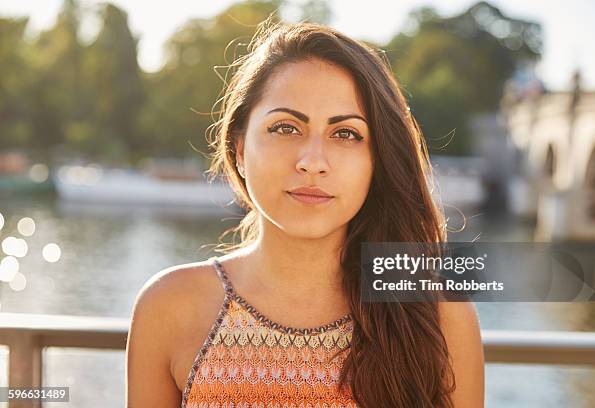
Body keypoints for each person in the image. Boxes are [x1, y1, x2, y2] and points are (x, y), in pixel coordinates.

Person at [126, 19, 484, 408]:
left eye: (345, 134)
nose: (313, 162)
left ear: (377, 159)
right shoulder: (169, 307)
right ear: (240, 149)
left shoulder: (436, 312)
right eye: (286, 128)